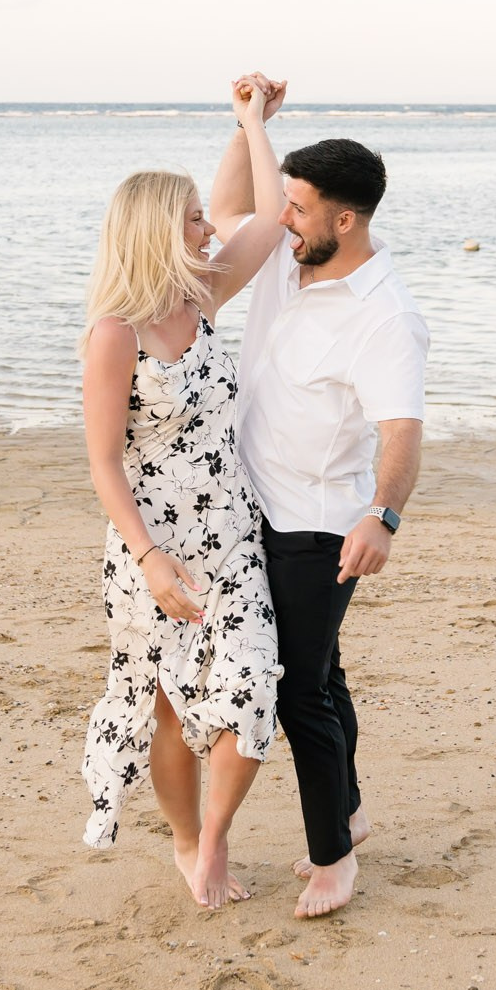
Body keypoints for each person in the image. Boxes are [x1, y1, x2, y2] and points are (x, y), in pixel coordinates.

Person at [77, 79, 291, 908]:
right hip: (154, 547)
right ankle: (184, 838)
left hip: (233, 533)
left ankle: (218, 835)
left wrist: (249, 125)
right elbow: (102, 462)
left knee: (252, 685)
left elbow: (267, 218)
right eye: (197, 217)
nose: (212, 226)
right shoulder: (114, 333)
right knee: (166, 710)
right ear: (160, 231)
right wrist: (148, 555)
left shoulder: (201, 295)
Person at [209, 112, 428, 918]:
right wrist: (245, 124)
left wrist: (384, 516)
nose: (281, 217)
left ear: (346, 219)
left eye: (296, 207)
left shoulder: (385, 315)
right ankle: (352, 813)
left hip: (318, 524)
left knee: (297, 689)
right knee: (324, 675)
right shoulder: (285, 255)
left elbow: (402, 430)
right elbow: (227, 206)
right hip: (251, 507)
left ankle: (333, 859)